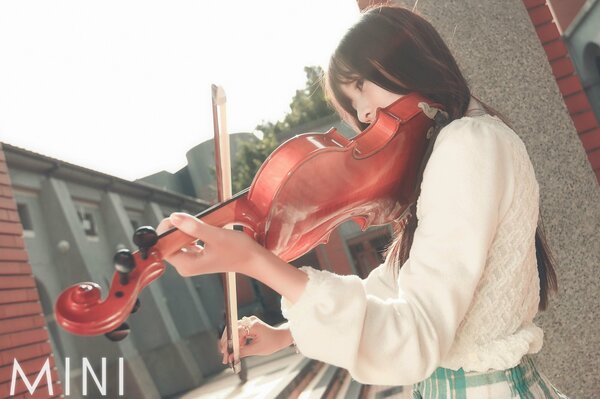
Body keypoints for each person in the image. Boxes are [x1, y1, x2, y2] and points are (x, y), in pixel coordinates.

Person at [157, 5, 569, 398]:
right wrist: (288, 334)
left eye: (360, 87)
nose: (364, 113)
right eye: (353, 104)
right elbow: (393, 288)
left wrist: (255, 262)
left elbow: (413, 338)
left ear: (410, 59)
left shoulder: (468, 144)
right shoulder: (457, 148)